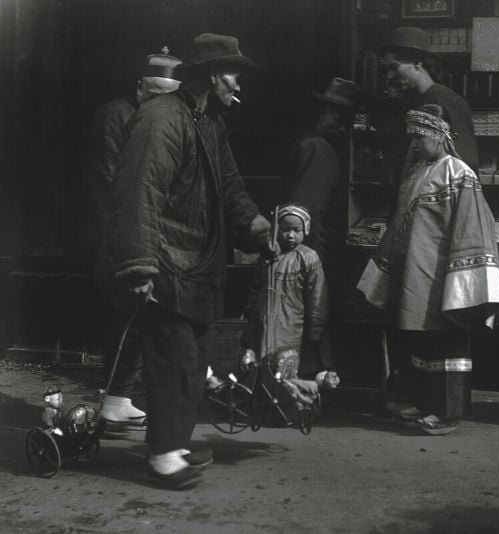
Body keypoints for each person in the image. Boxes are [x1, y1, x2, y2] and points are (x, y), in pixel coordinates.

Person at [105, 33, 271, 488]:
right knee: (173, 358)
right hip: (168, 261)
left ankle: (173, 443)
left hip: (196, 264)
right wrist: (140, 264)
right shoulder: (161, 119)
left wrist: (258, 228)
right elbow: (139, 192)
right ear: (215, 75)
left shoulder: (208, 122)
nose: (239, 87)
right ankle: (161, 455)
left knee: (193, 360)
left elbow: (232, 187)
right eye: (235, 76)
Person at [357, 104, 499, 435]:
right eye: (411, 138)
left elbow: (471, 225)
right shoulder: (418, 172)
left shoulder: (458, 173)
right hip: (415, 270)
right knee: (420, 340)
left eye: (419, 137)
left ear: (439, 137)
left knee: (447, 341)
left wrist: (463, 275)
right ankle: (424, 402)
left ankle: (447, 412)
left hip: (445, 273)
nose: (414, 144)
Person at [85, 47, 182, 427]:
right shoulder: (114, 117)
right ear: (139, 88)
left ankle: (119, 396)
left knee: (141, 318)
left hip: (148, 231)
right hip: (117, 233)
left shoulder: (162, 120)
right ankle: (115, 397)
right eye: (153, 96)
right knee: (126, 317)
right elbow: (106, 183)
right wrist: (123, 244)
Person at [284, 78, 361, 371]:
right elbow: (306, 211)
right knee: (311, 323)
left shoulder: (311, 144)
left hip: (307, 252)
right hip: (312, 253)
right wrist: (308, 258)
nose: (342, 127)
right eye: (337, 118)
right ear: (321, 112)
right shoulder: (319, 149)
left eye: (347, 121)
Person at [239, 203, 329, 373]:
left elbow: (317, 296)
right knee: (260, 364)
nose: (290, 235)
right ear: (277, 229)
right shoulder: (269, 256)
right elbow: (256, 287)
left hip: (292, 325)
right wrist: (250, 310)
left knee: (287, 366)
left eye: (296, 230)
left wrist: (315, 329)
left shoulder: (309, 258)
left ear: (306, 230)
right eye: (286, 229)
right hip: (263, 323)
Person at [377, 26, 479, 173]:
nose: (389, 76)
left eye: (394, 67)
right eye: (386, 70)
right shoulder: (415, 102)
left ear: (417, 63)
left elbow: (464, 162)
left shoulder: (445, 100)